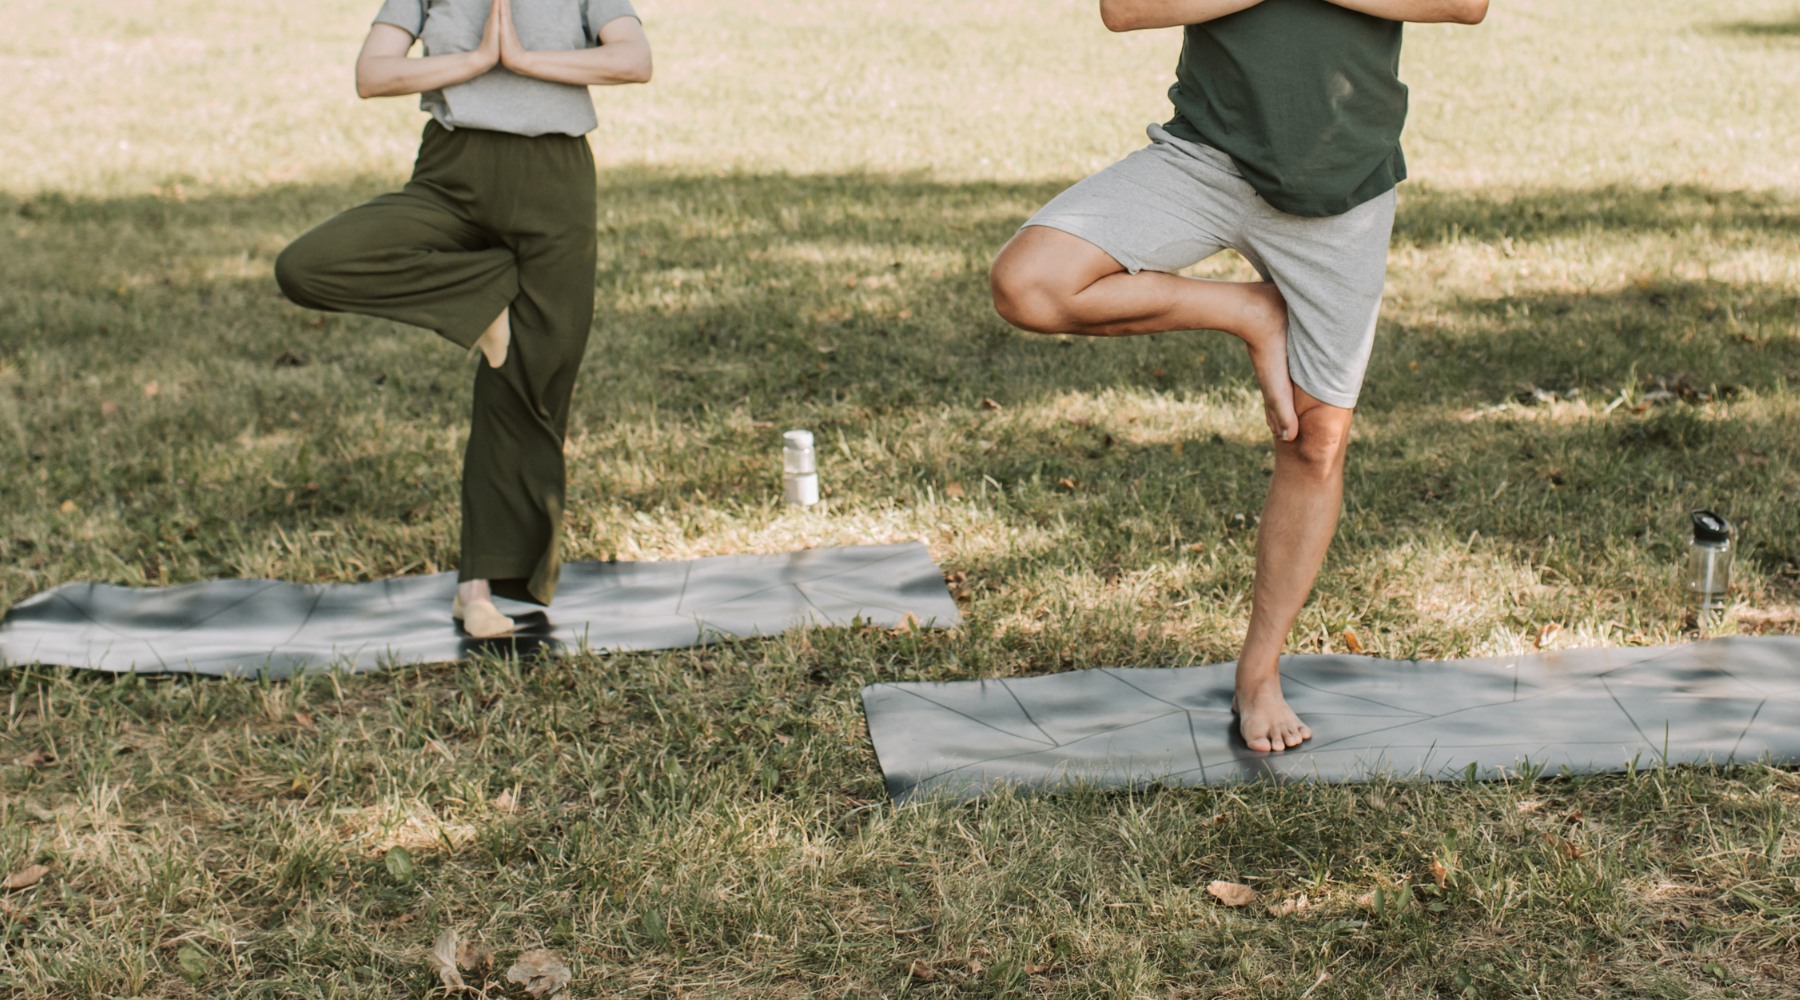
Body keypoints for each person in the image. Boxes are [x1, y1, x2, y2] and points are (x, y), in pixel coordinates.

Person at [989, 0, 1487, 751]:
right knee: (1028, 283)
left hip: (1342, 189)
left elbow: (1465, 4)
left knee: (1314, 441)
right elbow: (1124, 10)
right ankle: (1249, 309)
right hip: (1205, 162)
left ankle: (1259, 675)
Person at [275, 0, 651, 637]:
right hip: (452, 177)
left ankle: (478, 588)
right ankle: (479, 302)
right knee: (308, 265)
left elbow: (634, 60)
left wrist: (523, 61)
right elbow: (372, 74)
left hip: (555, 184)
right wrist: (475, 61)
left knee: (532, 381)